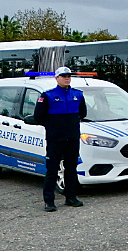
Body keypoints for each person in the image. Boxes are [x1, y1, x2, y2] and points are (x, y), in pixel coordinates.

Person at [34, 67, 87, 212]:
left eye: (69, 76)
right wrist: (53, 126)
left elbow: (82, 113)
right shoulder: (47, 95)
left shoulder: (78, 94)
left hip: (72, 138)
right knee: (52, 170)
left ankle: (70, 196)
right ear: (57, 78)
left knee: (71, 169)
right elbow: (39, 116)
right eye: (63, 76)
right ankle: (49, 201)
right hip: (55, 139)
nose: (67, 78)